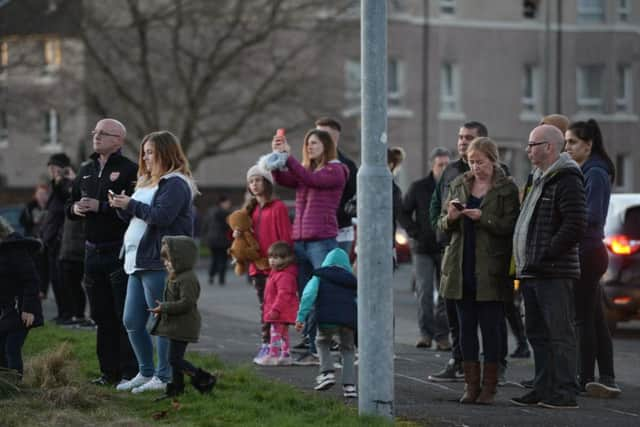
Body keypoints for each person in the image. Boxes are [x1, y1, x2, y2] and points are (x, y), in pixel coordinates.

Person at [109, 130, 198, 394]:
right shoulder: (147, 181)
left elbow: (161, 216)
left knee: (161, 322)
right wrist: (120, 206)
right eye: (144, 153)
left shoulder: (176, 183)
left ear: (165, 153)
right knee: (132, 321)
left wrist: (130, 205)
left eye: (151, 152)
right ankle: (145, 371)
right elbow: (137, 218)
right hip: (136, 259)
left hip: (159, 260)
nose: (146, 158)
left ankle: (164, 375)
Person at [437, 138, 520, 404]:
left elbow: (510, 226)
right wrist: (450, 217)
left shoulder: (506, 188)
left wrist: (482, 218)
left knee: (492, 330)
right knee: (466, 330)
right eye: (472, 162)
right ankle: (470, 386)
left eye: (481, 162)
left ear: (493, 161)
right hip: (461, 266)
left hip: (491, 269)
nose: (476, 168)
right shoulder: (459, 183)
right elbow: (441, 227)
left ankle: (490, 386)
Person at [511, 124, 586, 409]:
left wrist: (546, 254)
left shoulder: (566, 178)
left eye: (532, 144)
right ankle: (542, 387)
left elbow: (575, 224)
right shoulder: (538, 177)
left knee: (560, 333)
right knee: (538, 334)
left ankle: (565, 392)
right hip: (532, 270)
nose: (527, 149)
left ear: (549, 147)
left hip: (553, 271)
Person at [65, 118, 138, 386]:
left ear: (118, 139)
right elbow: (69, 205)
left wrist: (102, 207)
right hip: (91, 252)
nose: (96, 137)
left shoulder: (131, 170)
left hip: (117, 251)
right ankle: (108, 372)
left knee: (123, 315)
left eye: (103, 133)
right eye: (95, 132)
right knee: (100, 315)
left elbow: (133, 209)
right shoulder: (85, 168)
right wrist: (75, 209)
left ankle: (130, 371)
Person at [271, 128, 349, 366]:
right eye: (307, 144)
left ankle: (328, 346)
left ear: (326, 145)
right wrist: (276, 159)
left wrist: (289, 158)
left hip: (321, 240)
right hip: (302, 242)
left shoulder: (336, 169)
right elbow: (285, 179)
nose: (310, 147)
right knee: (305, 296)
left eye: (314, 143)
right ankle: (311, 346)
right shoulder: (308, 171)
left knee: (321, 294)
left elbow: (310, 180)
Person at [565, 119, 621, 398]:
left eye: (572, 142)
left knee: (582, 319)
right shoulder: (588, 169)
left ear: (588, 145)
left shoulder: (595, 172)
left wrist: (566, 222)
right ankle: (606, 376)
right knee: (595, 318)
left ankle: (584, 376)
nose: (568, 147)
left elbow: (593, 215)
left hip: (588, 252)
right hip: (589, 251)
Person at [428, 121, 488, 382]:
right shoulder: (450, 170)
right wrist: (439, 227)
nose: (462, 142)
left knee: (486, 312)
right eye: (460, 137)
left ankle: (492, 364)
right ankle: (458, 359)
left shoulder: (496, 172)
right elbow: (435, 205)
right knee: (452, 308)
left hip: (482, 252)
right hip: (451, 247)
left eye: (469, 137)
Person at [150, 236, 216, 400]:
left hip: (185, 324)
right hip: (177, 324)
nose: (166, 263)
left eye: (169, 260)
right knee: (174, 359)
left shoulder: (187, 278)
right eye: (164, 259)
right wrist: (162, 309)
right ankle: (176, 389)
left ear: (182, 259)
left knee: (174, 359)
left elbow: (187, 303)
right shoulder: (177, 275)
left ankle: (204, 379)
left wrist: (164, 307)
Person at [399, 147, 451, 349]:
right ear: (432, 165)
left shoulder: (454, 187)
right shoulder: (418, 187)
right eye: (440, 164)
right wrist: (414, 232)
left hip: (446, 246)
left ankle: (442, 336)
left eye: (447, 164)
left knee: (446, 294)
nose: (444, 168)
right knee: (425, 291)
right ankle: (425, 334)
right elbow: (403, 212)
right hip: (423, 247)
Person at [242, 165, 292, 364]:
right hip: (257, 266)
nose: (254, 184)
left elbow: (286, 237)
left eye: (258, 180)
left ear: (267, 182)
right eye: (251, 181)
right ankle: (267, 344)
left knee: (277, 307)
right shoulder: (250, 209)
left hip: (277, 266)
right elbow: (242, 236)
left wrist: (286, 264)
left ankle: (278, 346)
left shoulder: (278, 206)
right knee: (265, 306)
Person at [295, 247, 358, 398]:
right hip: (348, 322)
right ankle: (350, 386)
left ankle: (327, 372)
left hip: (326, 319)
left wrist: (301, 318)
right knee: (348, 350)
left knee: (322, 343)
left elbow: (308, 296)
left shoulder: (319, 276)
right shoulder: (352, 280)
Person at [0, 216, 43, 379]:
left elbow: (31, 280)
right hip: (7, 310)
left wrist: (28, 309)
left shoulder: (15, 250)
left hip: (22, 309)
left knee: (12, 347)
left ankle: (15, 385)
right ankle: (5, 384)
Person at [315, 118, 357, 256]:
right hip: (313, 232)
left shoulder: (347, 166)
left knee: (336, 272)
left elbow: (354, 197)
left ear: (334, 137)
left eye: (322, 134)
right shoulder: (309, 165)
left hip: (339, 231)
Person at [40, 153, 74, 323]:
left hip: (60, 239)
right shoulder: (54, 185)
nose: (52, 171)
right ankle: (62, 313)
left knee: (62, 280)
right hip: (51, 239)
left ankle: (67, 314)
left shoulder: (67, 185)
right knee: (55, 279)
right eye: (50, 168)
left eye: (55, 168)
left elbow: (67, 200)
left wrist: (62, 181)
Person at [254, 242, 299, 366]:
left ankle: (273, 355)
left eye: (276, 258)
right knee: (283, 334)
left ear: (287, 258)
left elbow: (284, 295)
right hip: (280, 311)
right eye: (270, 257)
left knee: (275, 333)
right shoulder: (276, 273)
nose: (272, 260)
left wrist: (275, 310)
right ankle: (285, 354)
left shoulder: (284, 276)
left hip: (280, 311)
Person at [57, 163, 88, 324]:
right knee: (68, 283)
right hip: (67, 247)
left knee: (78, 284)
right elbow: (60, 194)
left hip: (79, 248)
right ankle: (72, 314)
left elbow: (80, 190)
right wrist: (58, 179)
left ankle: (80, 314)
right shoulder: (71, 200)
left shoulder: (85, 190)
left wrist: (74, 178)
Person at [19, 184, 49, 299]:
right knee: (33, 265)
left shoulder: (50, 207)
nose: (41, 196)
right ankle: (33, 289)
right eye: (39, 194)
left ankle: (42, 290)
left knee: (44, 267)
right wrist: (31, 221)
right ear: (35, 195)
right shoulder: (30, 207)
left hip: (46, 240)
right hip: (32, 240)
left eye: (44, 194)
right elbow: (23, 221)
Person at [201, 196, 232, 286]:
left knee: (215, 259)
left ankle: (211, 275)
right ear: (222, 203)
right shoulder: (226, 214)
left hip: (212, 240)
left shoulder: (210, 212)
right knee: (223, 259)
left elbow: (205, 225)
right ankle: (221, 278)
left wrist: (205, 237)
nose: (229, 205)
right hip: (223, 240)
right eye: (227, 203)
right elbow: (228, 227)